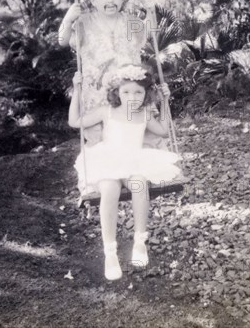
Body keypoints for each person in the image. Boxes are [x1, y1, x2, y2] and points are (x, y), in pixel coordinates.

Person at [69, 64, 181, 281]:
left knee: (139, 183)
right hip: (107, 160)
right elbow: (74, 122)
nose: (132, 96)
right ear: (116, 92)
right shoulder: (107, 111)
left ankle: (140, 242)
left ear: (146, 94)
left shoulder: (145, 115)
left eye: (138, 92)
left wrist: (166, 102)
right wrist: (76, 89)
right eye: (126, 91)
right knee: (109, 190)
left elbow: (164, 132)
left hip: (134, 161)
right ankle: (109, 253)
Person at [58, 0, 150, 150]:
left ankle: (133, 174)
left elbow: (146, 41)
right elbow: (62, 41)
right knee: (100, 143)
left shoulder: (133, 22)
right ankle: (104, 177)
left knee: (132, 139)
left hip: (128, 91)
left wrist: (151, 14)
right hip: (96, 94)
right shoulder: (83, 22)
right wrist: (68, 20)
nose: (110, 0)